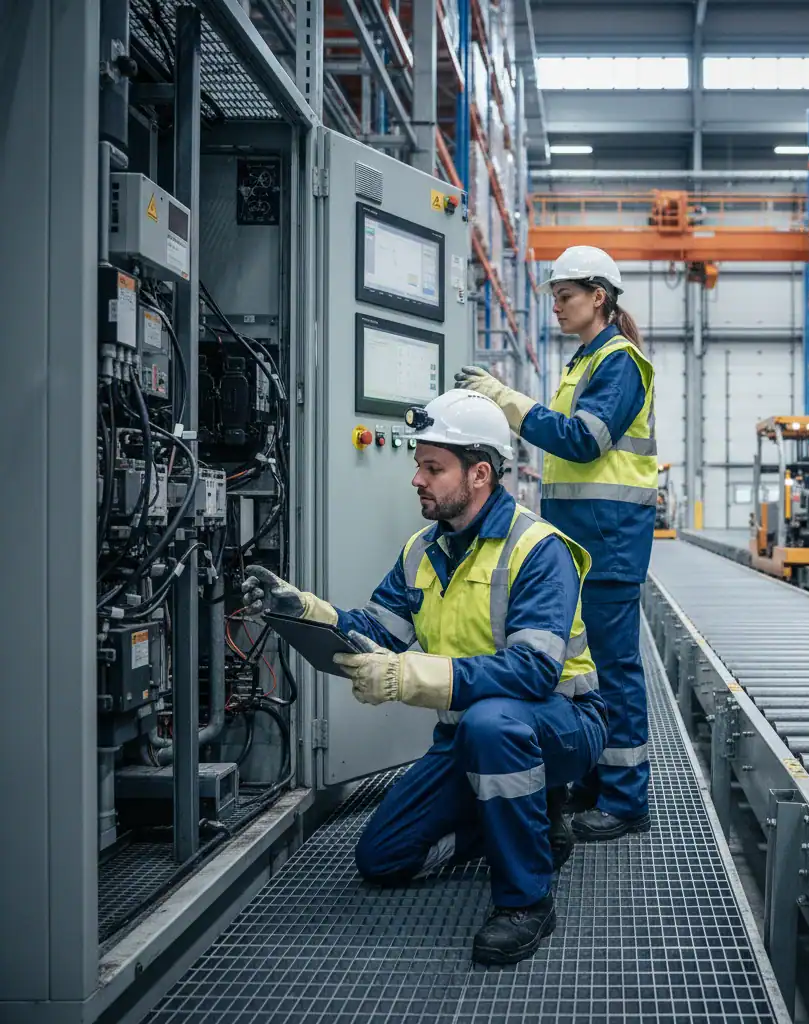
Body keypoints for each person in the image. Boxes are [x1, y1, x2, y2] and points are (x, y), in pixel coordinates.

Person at [241, 390, 607, 966]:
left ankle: (526, 901)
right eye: (419, 464)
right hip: (471, 737)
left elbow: (534, 671)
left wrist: (406, 678)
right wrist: (307, 611)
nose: (417, 478)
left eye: (433, 468)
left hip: (561, 726)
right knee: (383, 858)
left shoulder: (538, 550)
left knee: (494, 722)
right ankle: (533, 820)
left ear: (480, 474)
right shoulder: (423, 550)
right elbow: (378, 629)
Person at [455, 246, 657, 842]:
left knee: (615, 670)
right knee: (588, 670)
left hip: (610, 541)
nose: (557, 309)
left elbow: (583, 441)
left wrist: (506, 401)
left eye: (565, 297)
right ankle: (598, 782)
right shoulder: (583, 361)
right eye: (554, 298)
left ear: (599, 296)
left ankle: (626, 800)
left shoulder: (619, 362)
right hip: (581, 539)